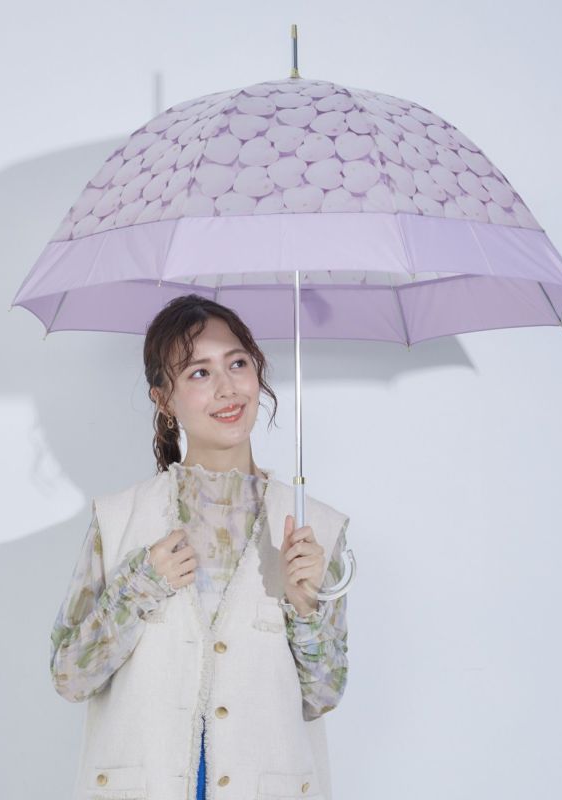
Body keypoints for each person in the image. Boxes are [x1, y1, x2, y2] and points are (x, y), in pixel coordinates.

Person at [49, 293, 350, 800]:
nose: (227, 388)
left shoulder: (315, 528)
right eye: (199, 373)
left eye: (237, 363)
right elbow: (69, 678)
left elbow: (323, 696)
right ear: (164, 400)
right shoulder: (119, 519)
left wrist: (305, 607)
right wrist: (139, 587)